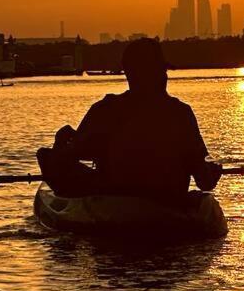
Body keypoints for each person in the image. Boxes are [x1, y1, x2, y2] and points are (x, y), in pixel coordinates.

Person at [36, 38, 222, 201]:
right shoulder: (181, 113)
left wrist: (61, 143)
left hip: (116, 197)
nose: (164, 76)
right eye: (160, 71)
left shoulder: (106, 109)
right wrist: (212, 172)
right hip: (168, 198)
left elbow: (72, 155)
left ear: (128, 73)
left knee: (45, 156)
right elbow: (204, 182)